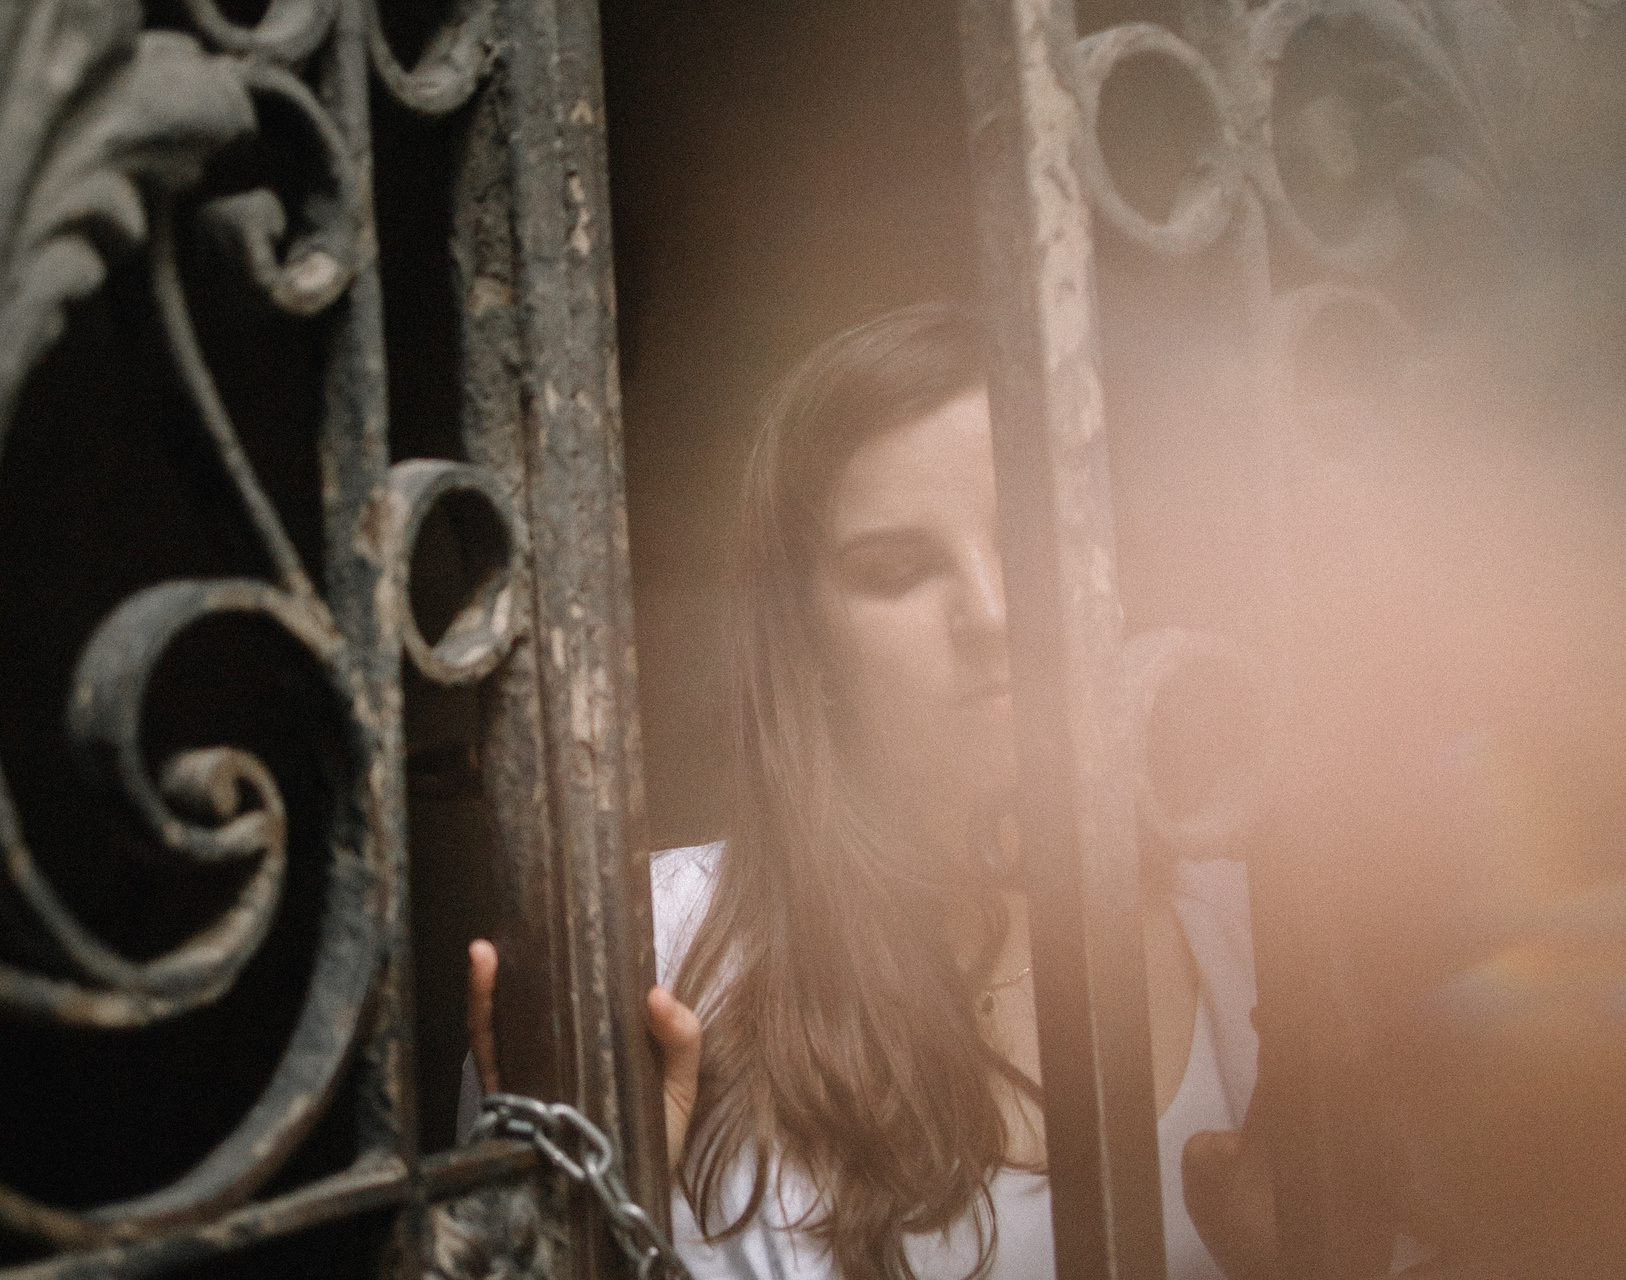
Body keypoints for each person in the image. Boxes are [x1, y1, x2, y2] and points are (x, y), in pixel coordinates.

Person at [464, 302, 1270, 1280]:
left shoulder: (1255, 925)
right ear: (808, 641)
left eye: (1029, 540)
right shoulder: (646, 954)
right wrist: (574, 1240)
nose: (990, 611)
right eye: (897, 569)